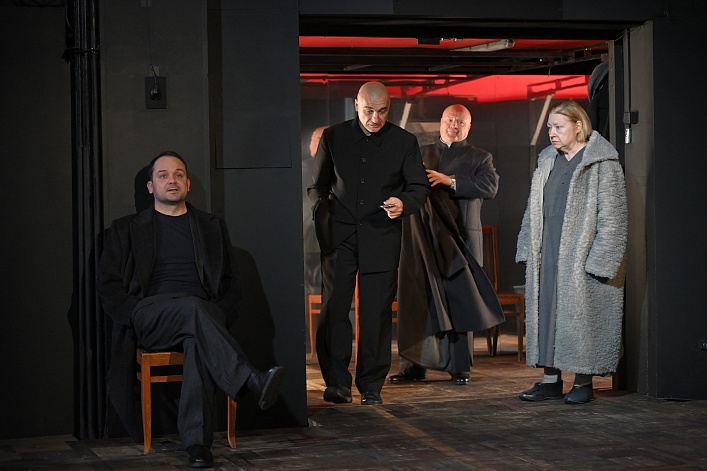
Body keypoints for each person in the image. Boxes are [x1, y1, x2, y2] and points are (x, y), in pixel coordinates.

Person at [97, 151, 284, 468]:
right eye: (163, 175)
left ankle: (197, 446)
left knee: (197, 337)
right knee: (195, 310)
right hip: (150, 315)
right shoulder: (125, 229)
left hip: (200, 317)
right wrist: (134, 313)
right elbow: (108, 285)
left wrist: (220, 315)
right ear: (150, 187)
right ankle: (248, 379)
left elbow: (231, 283)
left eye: (179, 174)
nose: (172, 180)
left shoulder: (211, 226)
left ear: (188, 184)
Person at [308, 81, 429, 406]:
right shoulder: (333, 137)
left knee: (376, 313)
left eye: (382, 111)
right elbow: (317, 186)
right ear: (356, 105)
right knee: (335, 309)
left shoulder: (404, 141)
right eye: (368, 111)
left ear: (389, 108)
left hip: (382, 235)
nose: (375, 118)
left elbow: (418, 187)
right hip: (340, 236)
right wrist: (324, 216)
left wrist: (404, 203)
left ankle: (371, 385)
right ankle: (337, 383)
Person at [515, 100, 627, 405]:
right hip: (548, 247)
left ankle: (582, 382)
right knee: (547, 313)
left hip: (580, 252)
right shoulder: (547, 160)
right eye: (549, 127)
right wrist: (527, 244)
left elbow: (614, 216)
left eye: (558, 126)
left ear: (578, 126)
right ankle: (550, 381)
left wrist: (601, 260)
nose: (551, 133)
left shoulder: (601, 162)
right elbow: (533, 207)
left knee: (580, 316)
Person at [389, 104, 503, 386]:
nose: (454, 125)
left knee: (460, 301)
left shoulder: (480, 157)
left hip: (462, 240)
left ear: (469, 127)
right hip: (423, 240)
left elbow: (489, 187)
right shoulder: (420, 152)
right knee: (419, 299)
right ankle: (413, 367)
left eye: (460, 122)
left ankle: (460, 367)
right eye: (450, 120)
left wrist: (449, 181)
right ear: (441, 122)